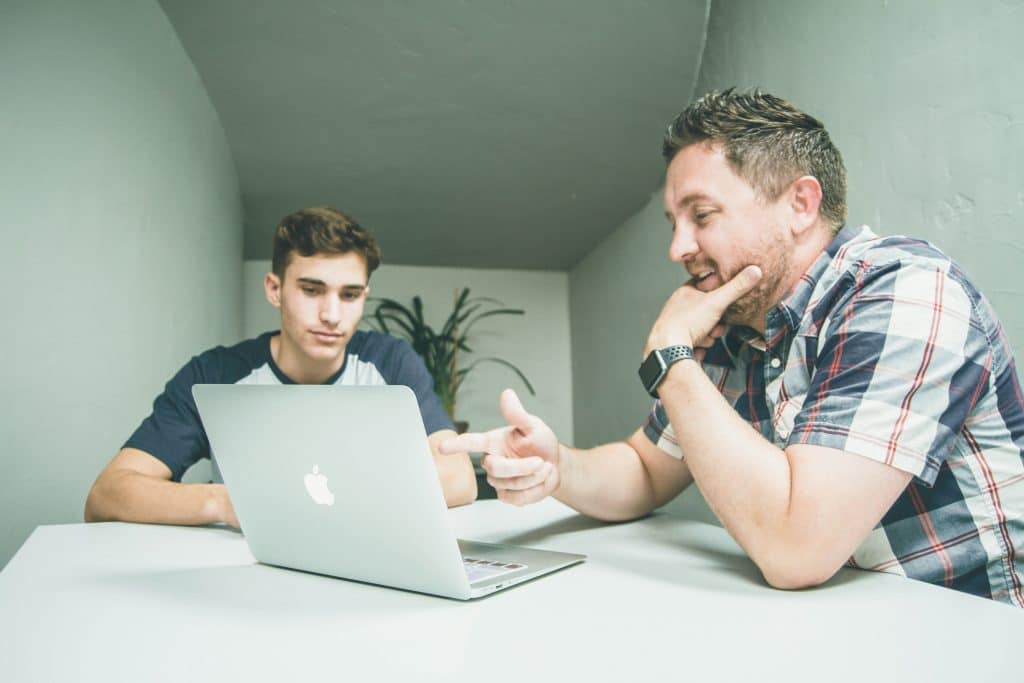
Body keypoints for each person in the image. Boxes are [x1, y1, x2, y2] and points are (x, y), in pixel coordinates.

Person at [442, 89, 1024, 606]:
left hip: (970, 633)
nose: (678, 247)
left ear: (800, 204)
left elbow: (797, 550)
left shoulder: (905, 290)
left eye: (701, 216)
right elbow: (646, 468)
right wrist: (557, 466)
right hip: (839, 623)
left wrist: (670, 355)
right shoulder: (741, 323)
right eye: (673, 222)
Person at [86, 206, 476, 527]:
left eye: (350, 295)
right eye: (311, 290)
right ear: (275, 289)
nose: (332, 314)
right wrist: (227, 503)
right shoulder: (215, 375)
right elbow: (108, 494)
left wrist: (326, 497)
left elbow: (459, 479)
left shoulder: (390, 362)